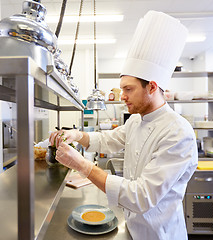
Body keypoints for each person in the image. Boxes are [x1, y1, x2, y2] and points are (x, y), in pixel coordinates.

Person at [49, 10, 198, 240]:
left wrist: (82, 166)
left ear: (151, 87)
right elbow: (108, 140)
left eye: (129, 89)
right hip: (132, 227)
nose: (122, 96)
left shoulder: (178, 133)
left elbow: (142, 196)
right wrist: (77, 135)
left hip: (159, 234)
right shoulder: (137, 120)